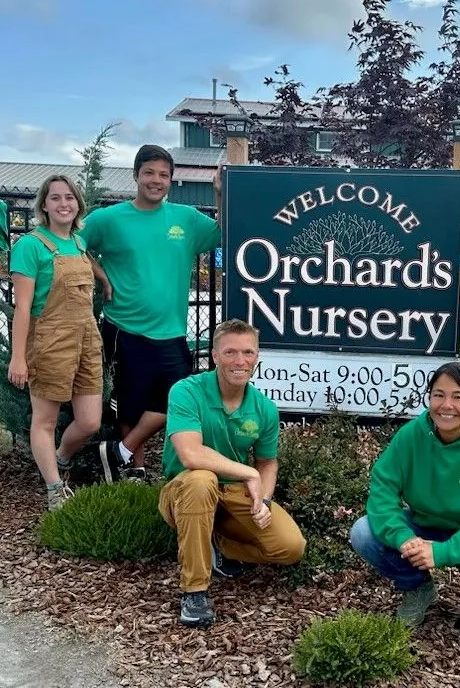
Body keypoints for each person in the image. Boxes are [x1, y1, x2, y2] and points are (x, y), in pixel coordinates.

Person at [350, 362, 460, 638]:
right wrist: (403, 537)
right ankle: (418, 588)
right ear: (429, 397)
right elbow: (383, 490)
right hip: (422, 525)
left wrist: (442, 552)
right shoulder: (411, 436)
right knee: (363, 531)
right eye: (438, 394)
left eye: (458, 397)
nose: (446, 405)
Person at [82, 145, 222, 482]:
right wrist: (98, 274)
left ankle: (119, 450)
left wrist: (221, 195)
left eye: (163, 175)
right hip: (124, 325)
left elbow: (223, 233)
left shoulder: (185, 218)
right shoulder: (108, 219)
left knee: (177, 399)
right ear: (136, 175)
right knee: (131, 402)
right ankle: (135, 468)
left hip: (172, 330)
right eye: (149, 173)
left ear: (171, 180)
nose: (156, 181)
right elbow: (70, 242)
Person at [158, 318, 306, 627]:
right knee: (202, 479)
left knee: (291, 547)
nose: (240, 361)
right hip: (184, 491)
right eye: (230, 353)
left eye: (248, 353)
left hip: (233, 493)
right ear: (214, 356)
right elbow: (190, 454)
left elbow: (267, 462)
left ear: (257, 356)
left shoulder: (264, 407)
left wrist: (263, 500)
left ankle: (219, 546)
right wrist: (247, 473)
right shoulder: (186, 391)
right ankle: (194, 592)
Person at [7, 176, 102, 510]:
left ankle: (60, 458)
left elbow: (87, 273)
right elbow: (22, 309)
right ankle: (53, 490)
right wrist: (19, 358)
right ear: (44, 205)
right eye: (56, 198)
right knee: (44, 420)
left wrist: (106, 282)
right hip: (50, 340)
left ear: (78, 204)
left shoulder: (77, 243)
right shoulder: (31, 246)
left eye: (70, 198)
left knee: (90, 421)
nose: (64, 204)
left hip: (87, 338)